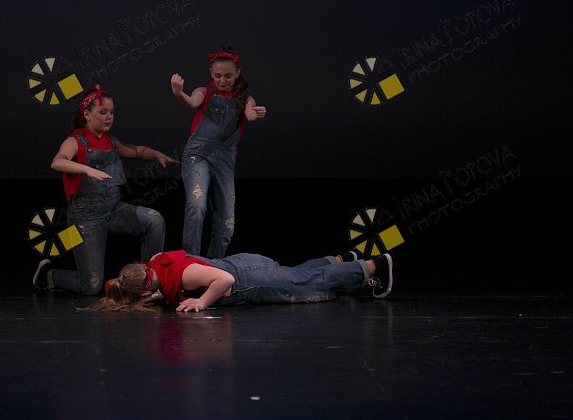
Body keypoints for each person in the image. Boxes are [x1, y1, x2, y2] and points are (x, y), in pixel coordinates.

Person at [33, 85, 180, 295]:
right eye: (103, 112)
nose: (109, 117)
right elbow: (57, 162)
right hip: (86, 217)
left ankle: (148, 280)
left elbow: (138, 151)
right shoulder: (75, 141)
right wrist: (87, 169)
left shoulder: (111, 142)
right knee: (91, 286)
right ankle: (48, 275)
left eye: (111, 112)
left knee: (154, 220)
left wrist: (157, 155)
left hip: (113, 210)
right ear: (87, 114)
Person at [170, 45, 266, 259]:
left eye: (228, 76)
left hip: (224, 160)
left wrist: (255, 114)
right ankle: (190, 262)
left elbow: (250, 113)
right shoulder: (204, 91)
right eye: (218, 76)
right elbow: (191, 101)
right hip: (198, 155)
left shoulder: (244, 97)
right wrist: (179, 93)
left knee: (227, 221)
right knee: (196, 206)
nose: (223, 81)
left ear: (238, 73)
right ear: (211, 74)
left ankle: (214, 266)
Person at [91, 250, 393, 312]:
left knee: (309, 285)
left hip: (250, 277)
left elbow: (224, 280)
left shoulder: (185, 276)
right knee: (298, 273)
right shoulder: (157, 261)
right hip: (248, 266)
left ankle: (374, 266)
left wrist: (202, 302)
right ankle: (339, 260)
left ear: (145, 289)